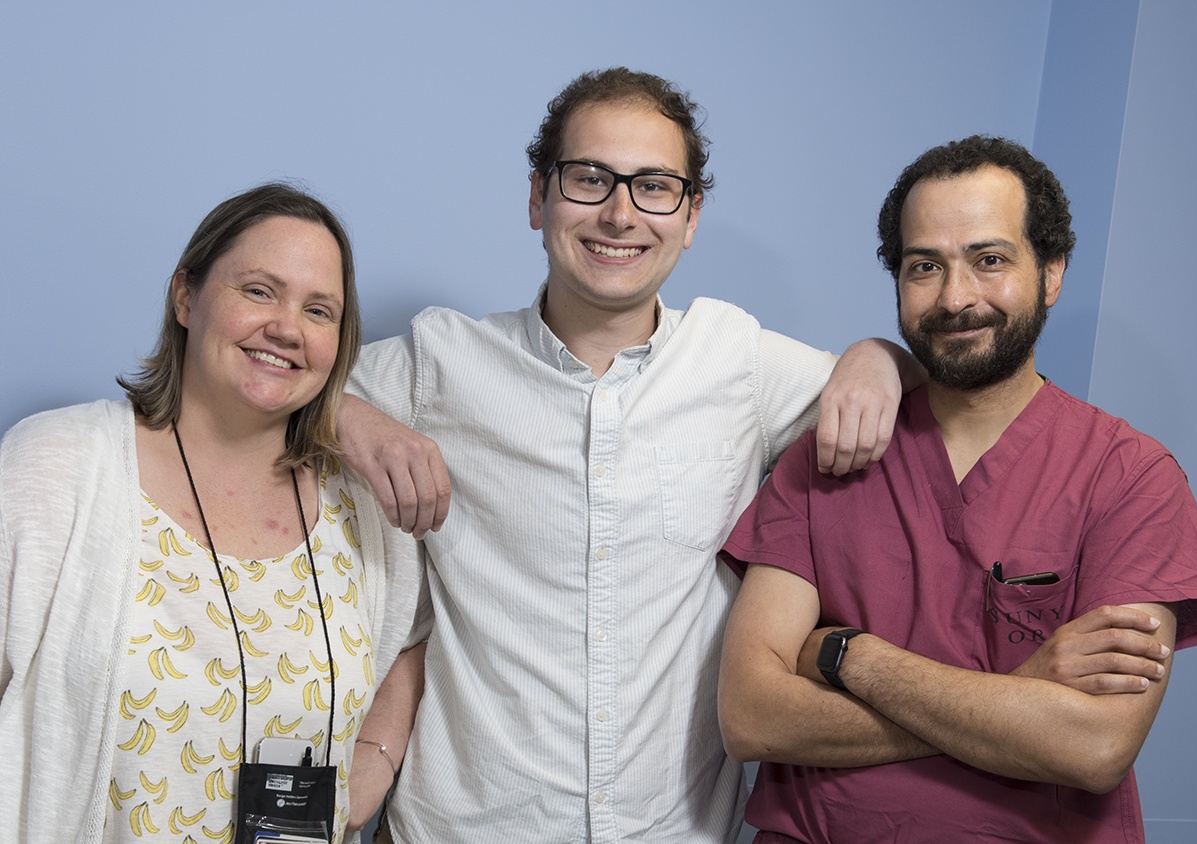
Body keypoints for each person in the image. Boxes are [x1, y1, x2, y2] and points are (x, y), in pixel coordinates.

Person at [337, 68, 922, 842]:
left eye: (654, 186)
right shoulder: (440, 362)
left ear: (691, 215)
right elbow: (264, 395)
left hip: (674, 830)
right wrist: (352, 419)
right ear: (539, 197)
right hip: (465, 827)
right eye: (590, 179)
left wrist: (880, 355)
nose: (620, 214)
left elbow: (920, 394)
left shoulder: (737, 359)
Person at [716, 135, 1197, 843]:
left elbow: (1092, 748)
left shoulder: (1130, 477)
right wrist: (1018, 693)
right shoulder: (827, 457)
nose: (956, 297)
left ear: (1052, 272)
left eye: (989, 260)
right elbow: (752, 715)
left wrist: (847, 655)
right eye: (923, 266)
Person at [0, 184, 421, 843]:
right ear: (186, 296)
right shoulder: (56, 469)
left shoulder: (361, 512)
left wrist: (377, 758)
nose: (286, 327)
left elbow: (417, 636)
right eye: (259, 291)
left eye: (319, 310)